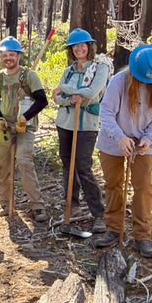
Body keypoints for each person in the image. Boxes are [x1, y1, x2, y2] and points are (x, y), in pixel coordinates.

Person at [94, 44, 152, 258]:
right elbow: (106, 112)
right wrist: (120, 137)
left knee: (144, 187)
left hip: (143, 144)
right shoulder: (120, 81)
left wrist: (148, 139)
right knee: (113, 185)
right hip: (113, 140)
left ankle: (143, 236)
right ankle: (113, 229)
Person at [52, 29, 109, 234]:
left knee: (83, 166)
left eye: (83, 45)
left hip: (86, 125)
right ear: (71, 49)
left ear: (89, 46)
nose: (79, 48)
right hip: (65, 123)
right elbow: (56, 98)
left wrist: (66, 90)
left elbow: (92, 92)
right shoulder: (68, 71)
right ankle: (71, 205)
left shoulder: (99, 68)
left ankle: (98, 214)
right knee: (68, 164)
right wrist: (70, 99)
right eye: (75, 46)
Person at [0, 36, 50, 222]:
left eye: (11, 54)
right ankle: (5, 203)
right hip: (5, 128)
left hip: (25, 127)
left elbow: (42, 100)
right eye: (4, 55)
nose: (8, 58)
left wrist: (25, 118)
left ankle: (37, 205)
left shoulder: (29, 75)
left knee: (24, 161)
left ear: (18, 56)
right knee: (3, 166)